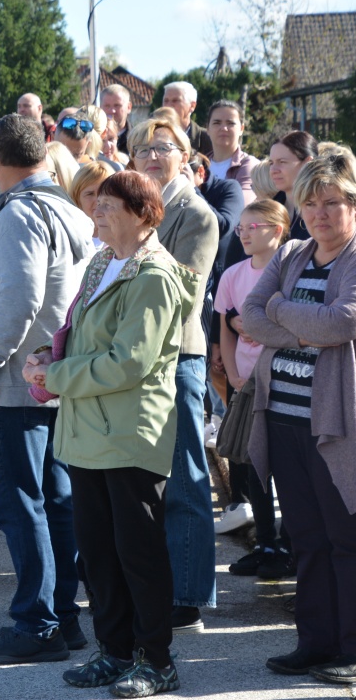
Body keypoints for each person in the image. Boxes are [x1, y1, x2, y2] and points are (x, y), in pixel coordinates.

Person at [24, 170, 197, 698]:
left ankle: (156, 659)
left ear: (143, 214)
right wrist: (48, 357)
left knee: (137, 555)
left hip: (128, 434)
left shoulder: (154, 275)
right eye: (95, 201)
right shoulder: (103, 261)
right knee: (98, 554)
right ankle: (115, 652)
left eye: (109, 204)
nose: (96, 209)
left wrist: (52, 376)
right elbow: (82, 336)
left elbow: (129, 363)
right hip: (88, 430)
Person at [0, 115, 95, 664]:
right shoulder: (70, 210)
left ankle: (38, 624)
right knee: (55, 502)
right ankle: (64, 617)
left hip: (14, 385)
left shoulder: (20, 214)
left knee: (21, 505)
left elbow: (19, 298)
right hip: (53, 379)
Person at [244, 150, 356, 685]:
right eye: (310, 203)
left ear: (355, 202)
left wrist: (283, 312)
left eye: (332, 202)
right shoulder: (294, 253)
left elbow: (346, 322)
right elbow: (249, 318)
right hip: (283, 414)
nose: (320, 214)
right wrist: (302, 322)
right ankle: (318, 641)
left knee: (352, 536)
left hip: (340, 420)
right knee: (305, 536)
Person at [129, 116, 220, 632]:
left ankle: (188, 595)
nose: (153, 156)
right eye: (144, 149)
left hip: (178, 358)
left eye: (165, 147)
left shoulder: (197, 215)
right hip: (133, 361)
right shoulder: (136, 209)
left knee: (186, 478)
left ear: (186, 158)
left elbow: (181, 295)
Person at [215, 200, 294, 576]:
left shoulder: (289, 272)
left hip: (282, 381)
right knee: (252, 468)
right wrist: (231, 375)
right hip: (244, 383)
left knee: (286, 467)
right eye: (240, 228)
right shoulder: (233, 275)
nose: (244, 234)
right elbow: (224, 329)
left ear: (278, 230)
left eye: (253, 226)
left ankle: (291, 544)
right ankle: (265, 542)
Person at [267, 130, 318, 241]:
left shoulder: (322, 214)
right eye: (271, 163)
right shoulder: (266, 213)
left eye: (282, 162)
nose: (273, 170)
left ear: (307, 163)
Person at [205, 100, 258, 204]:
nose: (224, 128)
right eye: (217, 123)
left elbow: (238, 206)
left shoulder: (249, 165)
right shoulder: (199, 164)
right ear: (207, 128)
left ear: (241, 129)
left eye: (230, 123)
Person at [161, 81, 212, 157]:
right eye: (166, 101)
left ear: (192, 106)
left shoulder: (207, 139)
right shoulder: (152, 136)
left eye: (175, 101)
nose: (168, 106)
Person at [70, 160, 112, 249]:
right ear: (77, 198)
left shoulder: (125, 238)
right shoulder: (68, 238)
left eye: (103, 193)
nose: (98, 200)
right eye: (90, 194)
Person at [101, 84, 133, 155]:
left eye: (117, 105)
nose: (112, 111)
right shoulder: (92, 139)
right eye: (107, 106)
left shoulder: (138, 140)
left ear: (129, 107)